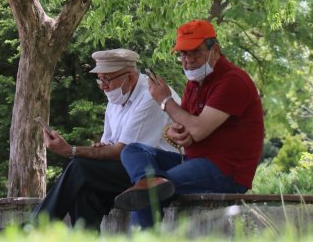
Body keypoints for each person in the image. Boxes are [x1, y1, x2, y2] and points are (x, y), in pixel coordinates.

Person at [113, 20, 265, 228]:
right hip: (193, 161)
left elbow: (199, 129)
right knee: (132, 151)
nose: (188, 60)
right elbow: (187, 126)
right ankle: (150, 181)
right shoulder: (194, 84)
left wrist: (165, 101)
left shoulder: (233, 81)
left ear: (215, 50)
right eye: (183, 54)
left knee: (148, 194)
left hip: (226, 171)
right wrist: (175, 132)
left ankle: (149, 189)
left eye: (195, 52)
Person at [30, 48, 181, 231]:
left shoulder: (149, 96)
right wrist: (100, 149)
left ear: (130, 77)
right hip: (132, 169)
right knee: (85, 192)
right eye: (100, 79)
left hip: (158, 173)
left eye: (107, 79)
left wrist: (71, 151)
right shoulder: (116, 97)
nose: (102, 85)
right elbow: (110, 145)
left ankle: (34, 227)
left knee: (80, 167)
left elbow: (121, 152)